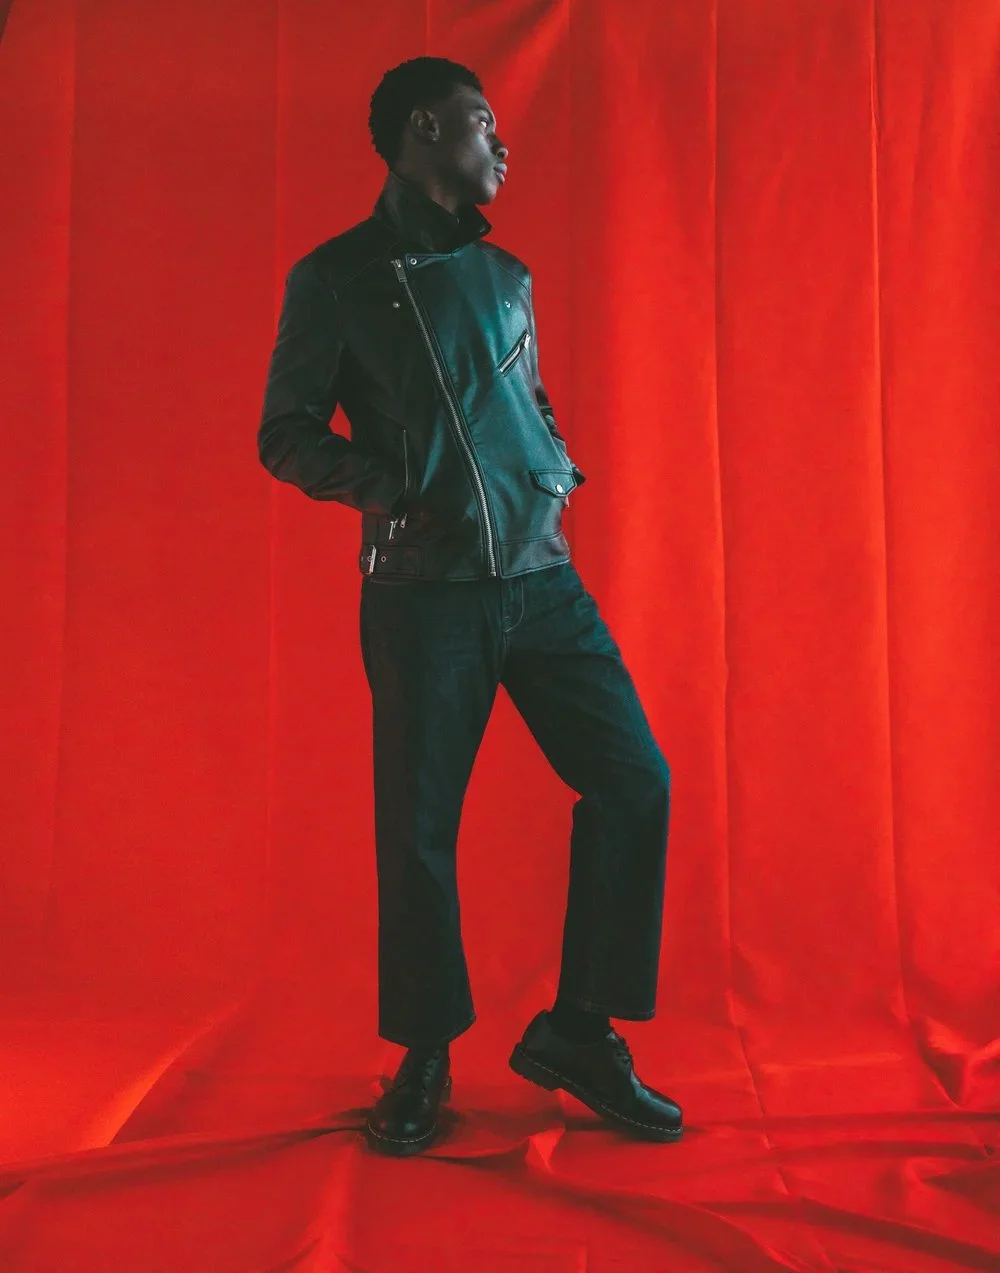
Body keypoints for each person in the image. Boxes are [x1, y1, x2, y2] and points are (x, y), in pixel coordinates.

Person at [258, 56, 682, 1157]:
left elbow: (526, 398)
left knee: (634, 779)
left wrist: (551, 468)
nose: (500, 143)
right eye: (481, 122)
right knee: (420, 828)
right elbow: (284, 434)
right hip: (422, 595)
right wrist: (395, 489)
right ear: (422, 129)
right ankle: (425, 1054)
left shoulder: (506, 274)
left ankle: (579, 1031)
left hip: (541, 581)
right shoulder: (336, 277)